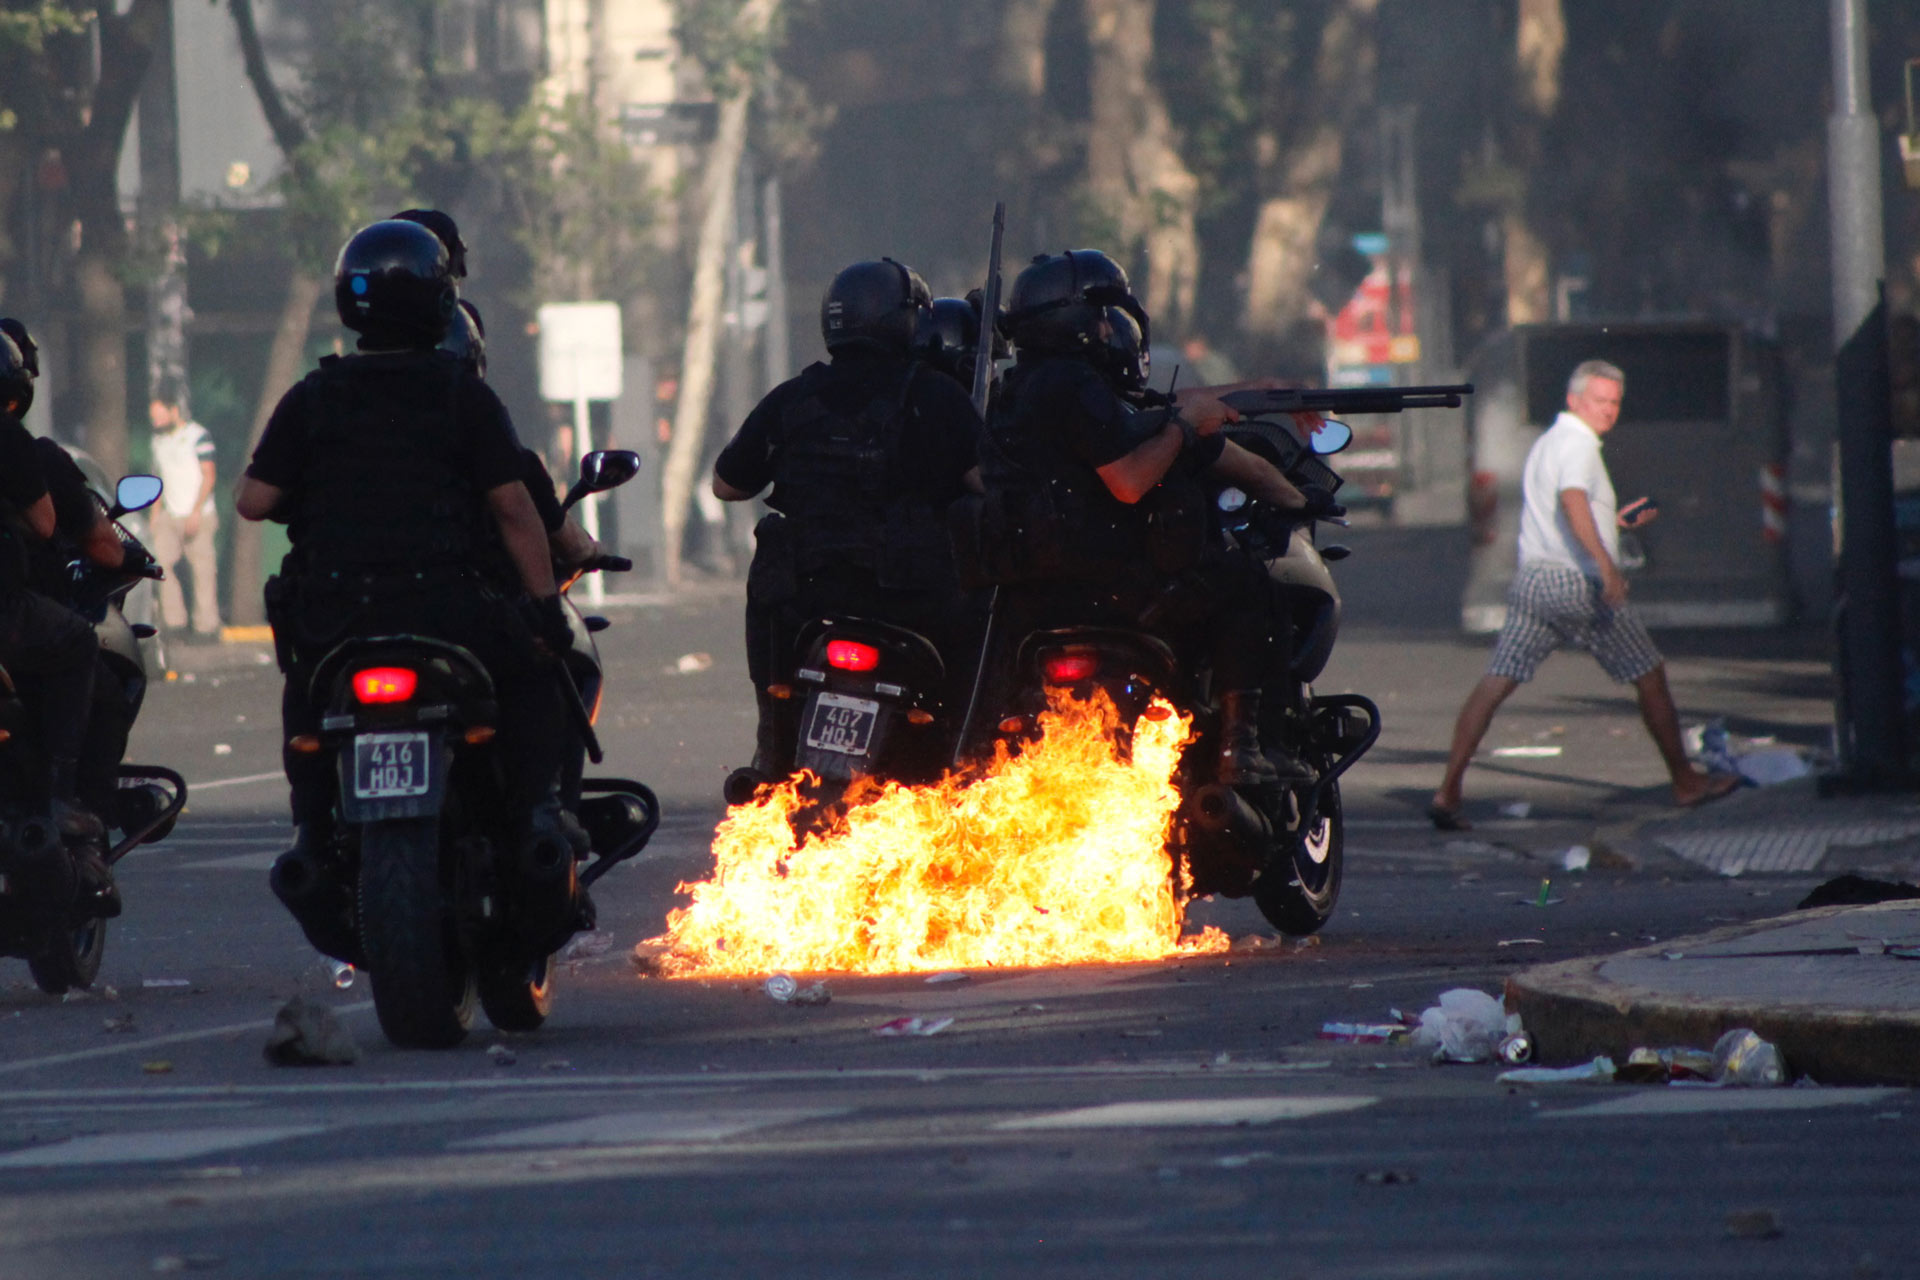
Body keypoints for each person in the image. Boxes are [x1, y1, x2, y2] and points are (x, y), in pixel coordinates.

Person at [235, 219, 577, 932]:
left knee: (307, 693)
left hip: (335, 615)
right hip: (445, 607)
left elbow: (253, 501)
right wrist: (544, 607)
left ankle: (309, 834)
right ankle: (540, 818)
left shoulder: (314, 396)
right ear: (438, 301)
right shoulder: (462, 394)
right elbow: (516, 512)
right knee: (537, 670)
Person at [970, 249, 1334, 784]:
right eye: (1101, 314)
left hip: (1036, 594)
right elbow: (1129, 480)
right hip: (1115, 589)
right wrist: (1184, 432)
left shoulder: (1019, 388)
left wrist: (1259, 391)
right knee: (1246, 586)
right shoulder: (1077, 386)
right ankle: (1244, 747)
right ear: (1081, 320)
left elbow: (1156, 404)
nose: (1108, 325)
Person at [1428, 359, 1739, 828]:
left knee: (1496, 681)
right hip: (1576, 583)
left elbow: (1566, 516)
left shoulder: (1548, 444)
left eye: (1615, 402)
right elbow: (1574, 502)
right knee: (1649, 674)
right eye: (1599, 400)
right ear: (1574, 400)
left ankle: (1448, 791)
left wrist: (1613, 525)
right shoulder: (1579, 446)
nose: (1608, 411)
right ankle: (1686, 782)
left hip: (1534, 582)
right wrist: (1606, 566)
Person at [712, 257, 985, 780]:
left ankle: (772, 743)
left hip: (809, 602)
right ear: (906, 321)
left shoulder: (793, 397)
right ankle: (962, 759)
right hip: (912, 602)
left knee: (771, 569)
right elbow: (988, 486)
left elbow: (727, 485)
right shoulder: (937, 396)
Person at [0, 332, 113, 858]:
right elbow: (47, 525)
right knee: (78, 644)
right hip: (8, 612)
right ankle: (59, 794)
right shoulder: (13, 440)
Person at [147, 393, 222, 639]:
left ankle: (206, 627)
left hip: (197, 512)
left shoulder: (197, 436)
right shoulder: (157, 442)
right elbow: (158, 479)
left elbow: (208, 475)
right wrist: (154, 516)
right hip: (170, 514)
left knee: (202, 570)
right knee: (160, 565)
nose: (156, 421)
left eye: (160, 415)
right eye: (153, 417)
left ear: (174, 410)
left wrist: (196, 511)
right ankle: (174, 622)